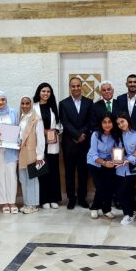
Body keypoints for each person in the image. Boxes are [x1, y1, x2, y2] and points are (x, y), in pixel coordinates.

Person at [59, 77, 92, 209]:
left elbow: (90, 121)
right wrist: (77, 135)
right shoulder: (63, 103)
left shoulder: (89, 102)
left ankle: (82, 198)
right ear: (70, 87)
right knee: (69, 172)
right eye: (73, 86)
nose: (76, 88)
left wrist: (82, 135)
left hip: (84, 142)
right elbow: (65, 122)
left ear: (81, 86)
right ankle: (71, 198)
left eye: (78, 85)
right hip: (69, 143)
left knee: (84, 172)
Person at [0, 91, 19, 214]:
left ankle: (12, 202)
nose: (0, 102)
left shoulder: (14, 112)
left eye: (3, 99)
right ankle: (4, 203)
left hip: (11, 150)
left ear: (6, 100)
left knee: (12, 176)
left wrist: (17, 141)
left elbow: (18, 128)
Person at [34, 82, 62, 208]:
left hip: (52, 144)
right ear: (39, 92)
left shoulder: (53, 107)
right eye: (43, 91)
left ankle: (54, 198)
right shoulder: (33, 107)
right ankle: (44, 200)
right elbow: (30, 126)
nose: (46, 93)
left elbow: (59, 124)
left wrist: (55, 130)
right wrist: (43, 131)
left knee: (53, 171)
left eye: (48, 91)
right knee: (41, 172)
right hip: (39, 145)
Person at [87, 112, 120, 219]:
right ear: (100, 124)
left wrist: (113, 161)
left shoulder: (116, 135)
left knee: (109, 186)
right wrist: (104, 163)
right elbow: (93, 154)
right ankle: (94, 208)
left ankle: (106, 209)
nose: (107, 124)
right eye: (104, 122)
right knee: (100, 186)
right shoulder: (95, 135)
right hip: (95, 162)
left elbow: (117, 152)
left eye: (109, 122)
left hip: (109, 162)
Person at [18, 96, 45, 214]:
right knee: (23, 179)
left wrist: (39, 156)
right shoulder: (21, 117)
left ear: (31, 104)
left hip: (32, 153)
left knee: (32, 180)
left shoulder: (37, 119)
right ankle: (26, 203)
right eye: (23, 103)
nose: (24, 106)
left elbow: (41, 139)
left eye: (27, 103)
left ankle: (33, 205)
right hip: (21, 153)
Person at [115, 112, 136, 225]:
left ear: (127, 120)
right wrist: (115, 160)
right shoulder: (117, 135)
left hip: (133, 170)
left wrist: (128, 160)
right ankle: (134, 208)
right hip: (120, 169)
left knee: (122, 193)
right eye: (118, 123)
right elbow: (116, 151)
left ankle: (128, 215)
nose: (121, 125)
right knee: (125, 193)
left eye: (122, 121)